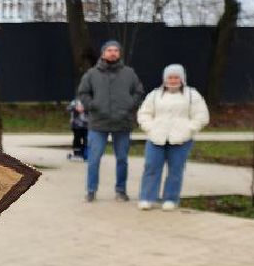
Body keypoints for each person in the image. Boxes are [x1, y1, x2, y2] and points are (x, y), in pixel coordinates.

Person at [75, 40, 143, 202]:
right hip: (98, 123)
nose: (113, 53)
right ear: (103, 53)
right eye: (109, 50)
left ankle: (121, 191)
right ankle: (91, 191)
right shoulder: (92, 74)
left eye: (116, 50)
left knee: (122, 159)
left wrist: (130, 104)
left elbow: (139, 92)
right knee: (94, 159)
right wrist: (92, 105)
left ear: (119, 53)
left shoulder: (129, 73)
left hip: (122, 123)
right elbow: (83, 93)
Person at [137, 64, 209, 211]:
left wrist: (189, 129)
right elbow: (144, 113)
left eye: (176, 77)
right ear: (165, 79)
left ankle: (170, 199)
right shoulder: (155, 95)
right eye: (170, 77)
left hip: (181, 139)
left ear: (182, 79)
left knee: (176, 170)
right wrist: (150, 128)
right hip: (156, 137)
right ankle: (147, 198)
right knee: (151, 167)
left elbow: (201, 116)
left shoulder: (192, 95)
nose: (173, 80)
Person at [65, 97, 88, 161]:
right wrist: (75, 108)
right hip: (76, 125)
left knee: (87, 139)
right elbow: (68, 108)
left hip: (87, 125)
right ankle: (77, 153)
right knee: (77, 139)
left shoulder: (89, 101)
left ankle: (85, 152)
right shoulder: (75, 101)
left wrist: (86, 108)